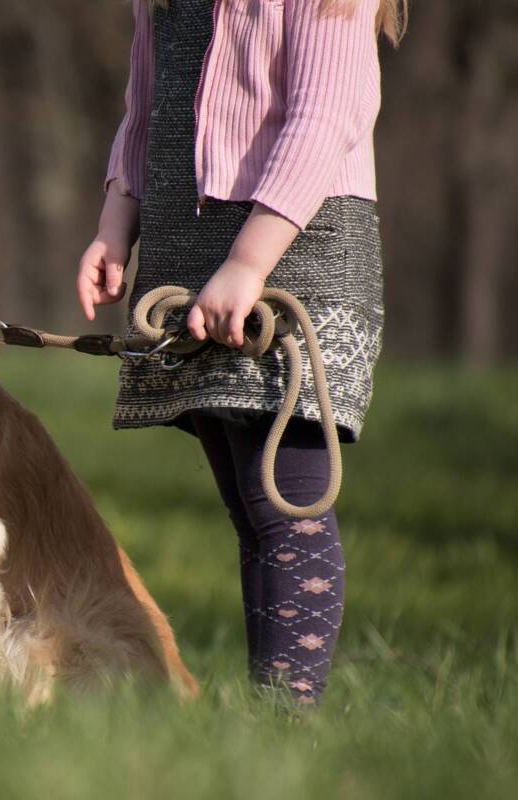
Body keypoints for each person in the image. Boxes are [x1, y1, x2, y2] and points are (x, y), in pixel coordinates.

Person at [76, 0, 406, 704]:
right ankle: (268, 717)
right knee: (251, 508)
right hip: (192, 247)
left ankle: (287, 720)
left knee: (285, 504)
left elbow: (327, 117)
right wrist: (114, 226)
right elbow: (144, 113)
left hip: (294, 248)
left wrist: (249, 264)